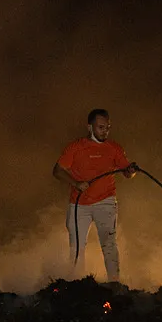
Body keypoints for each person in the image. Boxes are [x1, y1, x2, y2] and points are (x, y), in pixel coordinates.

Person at [52, 109, 138, 282]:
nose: (104, 131)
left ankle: (114, 283)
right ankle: (77, 283)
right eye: (100, 127)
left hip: (106, 202)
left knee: (109, 244)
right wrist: (76, 184)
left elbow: (128, 172)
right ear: (89, 127)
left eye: (107, 127)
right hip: (79, 204)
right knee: (77, 247)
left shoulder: (114, 148)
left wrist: (131, 171)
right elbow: (57, 171)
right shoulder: (76, 147)